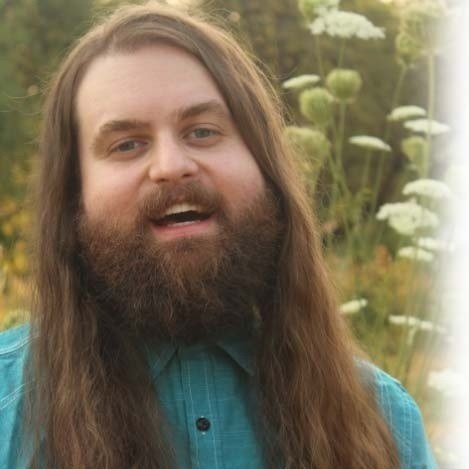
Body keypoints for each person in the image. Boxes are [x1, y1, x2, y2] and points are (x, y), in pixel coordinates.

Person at [0, 2, 437, 468]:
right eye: (126, 144)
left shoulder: (386, 423)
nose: (171, 166)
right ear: (74, 196)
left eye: (203, 132)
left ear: (265, 166)